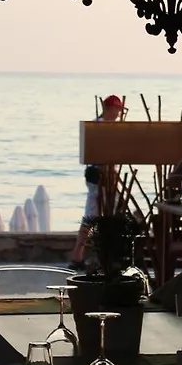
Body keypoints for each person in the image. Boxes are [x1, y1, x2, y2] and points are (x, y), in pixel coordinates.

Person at [70, 95, 125, 268]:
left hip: (105, 176)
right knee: (93, 214)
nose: (118, 114)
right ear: (110, 109)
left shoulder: (108, 127)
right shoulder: (98, 127)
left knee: (105, 214)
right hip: (98, 176)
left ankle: (91, 256)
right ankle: (79, 256)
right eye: (117, 110)